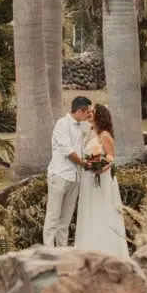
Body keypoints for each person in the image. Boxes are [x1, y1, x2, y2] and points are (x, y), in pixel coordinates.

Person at [74, 103, 129, 259]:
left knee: (101, 210)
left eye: (92, 111)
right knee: (89, 211)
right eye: (89, 111)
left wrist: (99, 169)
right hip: (88, 179)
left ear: (100, 116)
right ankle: (88, 248)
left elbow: (111, 158)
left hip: (102, 178)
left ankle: (106, 250)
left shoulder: (105, 135)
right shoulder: (89, 132)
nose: (89, 113)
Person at [43, 96, 92, 247]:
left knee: (65, 221)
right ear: (79, 111)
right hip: (60, 175)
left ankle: (62, 251)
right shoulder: (62, 124)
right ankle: (48, 252)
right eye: (87, 112)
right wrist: (84, 163)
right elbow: (68, 151)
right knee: (53, 217)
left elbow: (87, 145)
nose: (89, 115)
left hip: (75, 178)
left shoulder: (81, 125)